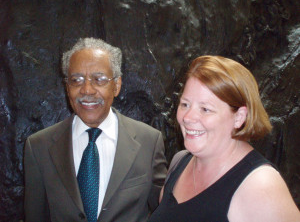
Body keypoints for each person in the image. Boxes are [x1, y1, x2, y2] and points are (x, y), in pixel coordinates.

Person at [24, 37, 167, 222]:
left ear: (116, 85)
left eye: (98, 79)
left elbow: (164, 213)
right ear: (67, 88)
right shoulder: (38, 147)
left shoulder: (149, 141)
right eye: (77, 80)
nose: (87, 90)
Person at [148, 55, 300, 221]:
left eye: (205, 109)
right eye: (185, 104)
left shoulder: (260, 186)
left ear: (239, 117)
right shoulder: (180, 163)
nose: (188, 117)